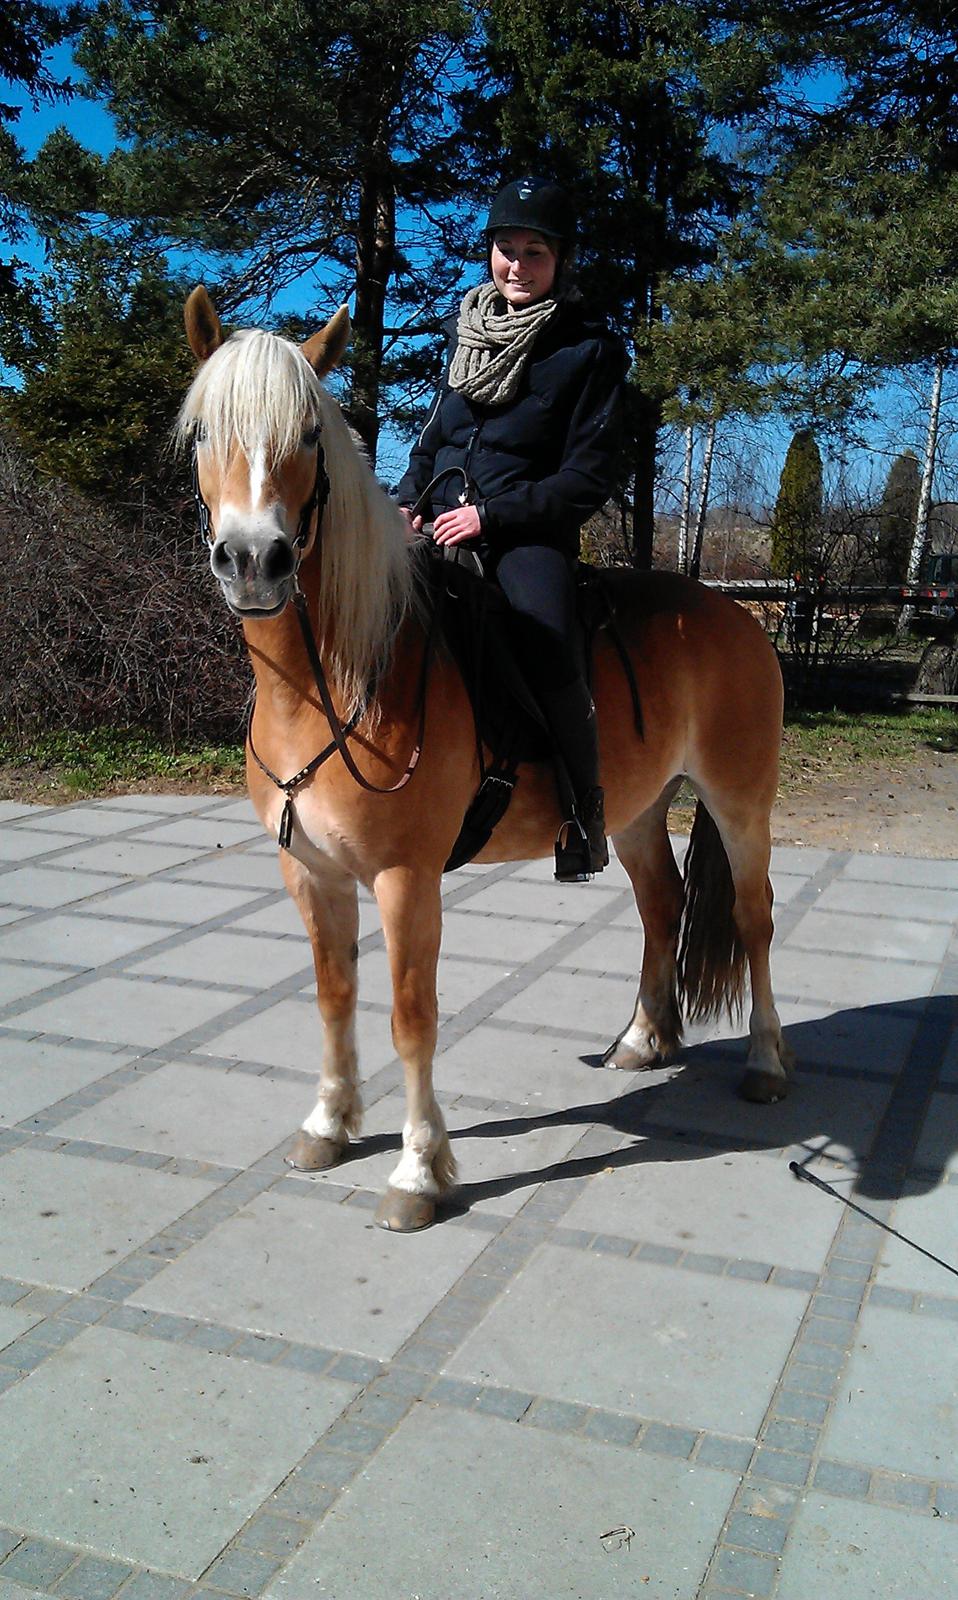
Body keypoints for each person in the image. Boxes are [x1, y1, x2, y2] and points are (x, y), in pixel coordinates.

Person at [396, 176, 628, 880]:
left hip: (525, 536)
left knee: (548, 638)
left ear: (560, 262)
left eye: (534, 253)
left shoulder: (591, 352)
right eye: (506, 250)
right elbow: (433, 441)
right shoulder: (466, 335)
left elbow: (585, 478)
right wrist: (408, 499)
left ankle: (582, 814)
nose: (517, 266)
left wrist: (491, 515)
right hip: (438, 522)